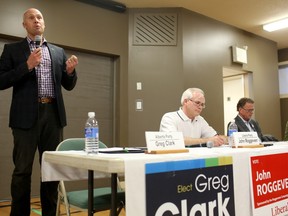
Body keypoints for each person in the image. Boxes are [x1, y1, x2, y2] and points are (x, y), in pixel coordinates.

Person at [0, 8, 78, 216]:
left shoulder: (57, 52)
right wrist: (26, 66)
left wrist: (70, 73)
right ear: (24, 25)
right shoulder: (12, 50)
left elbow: (68, 85)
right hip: (25, 118)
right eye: (31, 18)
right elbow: (1, 80)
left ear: (44, 24)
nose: (36, 21)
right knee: (22, 171)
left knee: (51, 171)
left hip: (53, 116)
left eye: (40, 17)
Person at [159, 88, 227, 147]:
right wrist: (207, 140)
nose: (200, 107)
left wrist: (222, 139)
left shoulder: (200, 119)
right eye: (197, 103)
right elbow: (174, 140)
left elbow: (215, 137)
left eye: (202, 104)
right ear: (185, 101)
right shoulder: (169, 117)